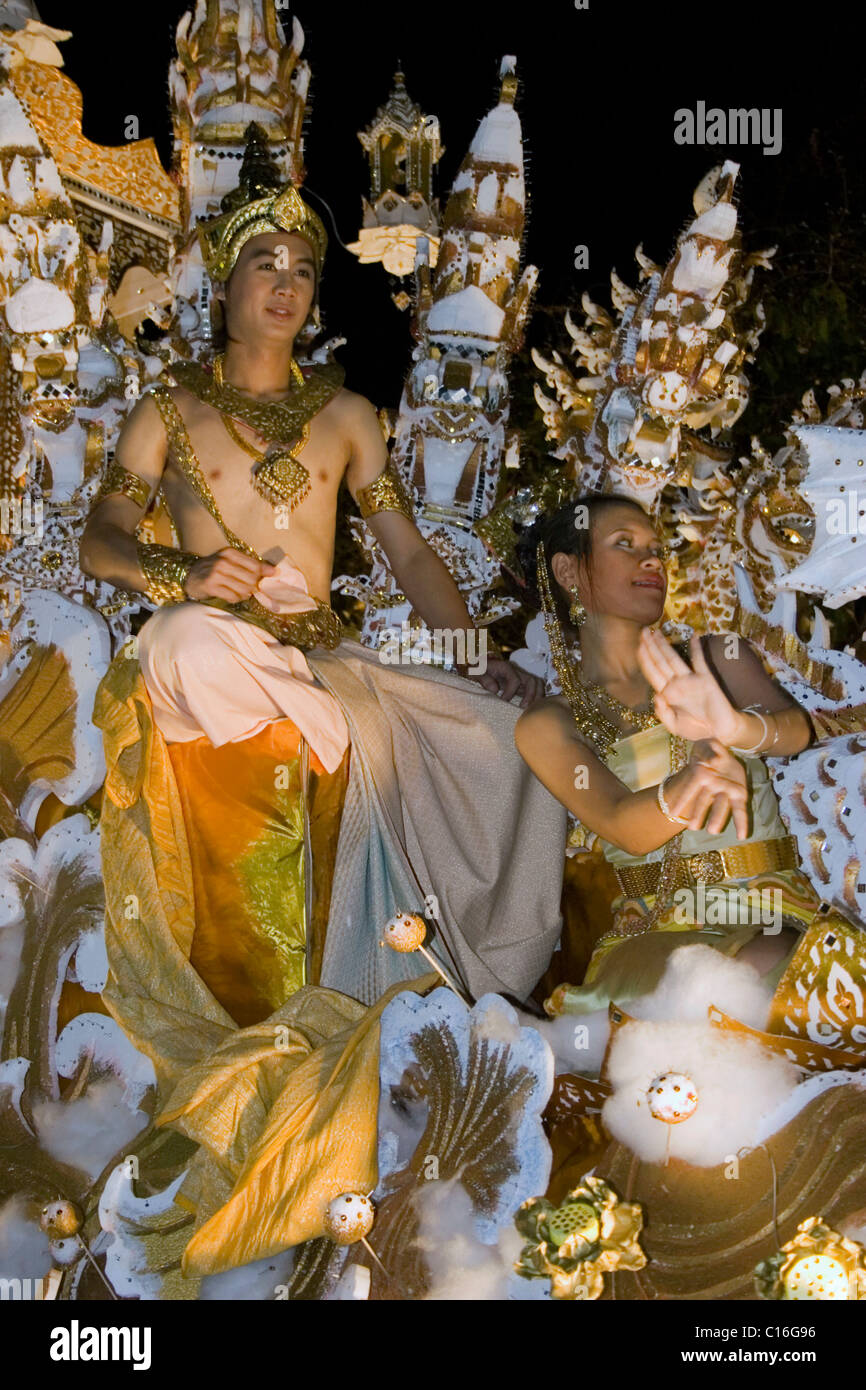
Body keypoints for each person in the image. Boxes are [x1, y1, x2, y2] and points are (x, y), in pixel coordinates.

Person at [80, 138, 562, 1059]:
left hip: (324, 659)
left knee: (513, 735)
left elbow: (411, 554)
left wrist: (476, 656)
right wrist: (179, 575)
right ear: (224, 284)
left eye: (303, 268)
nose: (287, 283)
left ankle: (482, 968)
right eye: (266, 264)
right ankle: (332, 734)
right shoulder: (167, 410)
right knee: (181, 642)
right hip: (218, 651)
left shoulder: (348, 417)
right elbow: (98, 540)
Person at [512, 493, 828, 1015]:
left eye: (656, 548)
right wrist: (697, 779)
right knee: (709, 986)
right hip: (658, 931)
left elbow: (796, 732)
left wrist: (735, 726)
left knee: (785, 964)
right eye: (625, 544)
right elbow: (622, 823)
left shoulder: (718, 657)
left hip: (780, 912)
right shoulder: (549, 722)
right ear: (568, 569)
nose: (653, 559)